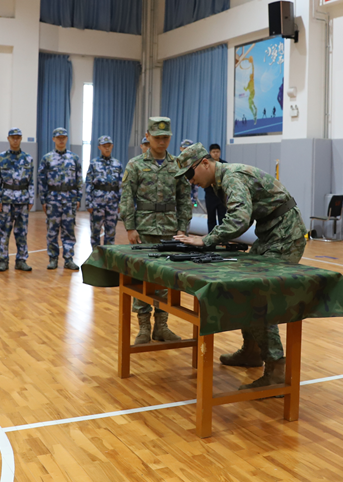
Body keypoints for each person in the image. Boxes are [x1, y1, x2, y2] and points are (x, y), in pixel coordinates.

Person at [174, 142, 307, 390]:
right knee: (246, 289)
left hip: (285, 237)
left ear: (204, 163)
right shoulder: (223, 179)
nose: (190, 181)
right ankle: (253, 352)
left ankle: (277, 370)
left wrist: (206, 239)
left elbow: (239, 218)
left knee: (257, 295)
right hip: (271, 234)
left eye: (190, 174)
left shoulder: (232, 177)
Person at [119, 117, 190, 344]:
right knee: (142, 277)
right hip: (144, 228)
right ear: (147, 137)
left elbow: (184, 199)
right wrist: (130, 227)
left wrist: (183, 228)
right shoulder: (135, 164)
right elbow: (127, 197)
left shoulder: (177, 165)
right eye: (157, 137)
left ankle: (162, 326)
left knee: (166, 279)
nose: (161, 141)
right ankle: (143, 328)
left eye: (165, 137)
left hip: (170, 230)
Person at [38, 127, 82, 270]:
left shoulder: (74, 158)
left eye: (63, 137)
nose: (61, 139)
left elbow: (79, 180)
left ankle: (68, 259)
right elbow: (41, 180)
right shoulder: (47, 158)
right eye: (58, 137)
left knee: (69, 229)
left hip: (69, 199)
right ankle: (53, 258)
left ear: (67, 139)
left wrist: (78, 197)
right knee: (52, 230)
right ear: (54, 139)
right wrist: (43, 200)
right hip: (53, 199)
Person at [0, 128, 34, 272]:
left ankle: (21, 260)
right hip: (6, 200)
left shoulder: (28, 158)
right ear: (8, 139)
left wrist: (31, 198)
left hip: (23, 199)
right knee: (4, 231)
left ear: (21, 138)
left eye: (18, 137)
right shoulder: (1, 158)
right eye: (13, 137)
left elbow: (31, 181)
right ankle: (3, 260)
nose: (15, 140)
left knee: (22, 232)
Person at [84, 135, 123, 248]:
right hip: (97, 203)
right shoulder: (94, 163)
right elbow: (89, 184)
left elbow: (121, 185)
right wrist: (88, 203)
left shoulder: (117, 164)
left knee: (110, 233)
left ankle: (107, 260)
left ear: (112, 146)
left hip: (112, 203)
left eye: (109, 146)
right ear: (99, 147)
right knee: (95, 233)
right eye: (104, 146)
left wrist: (120, 203)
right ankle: (96, 260)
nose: (107, 148)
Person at [204, 143, 228, 232]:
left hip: (221, 196)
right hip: (210, 195)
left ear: (220, 153)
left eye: (217, 152)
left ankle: (223, 239)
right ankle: (211, 239)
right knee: (211, 218)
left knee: (223, 218)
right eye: (213, 152)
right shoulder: (205, 164)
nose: (215, 154)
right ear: (210, 153)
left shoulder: (224, 164)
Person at [179, 139, 202, 210]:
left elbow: (195, 186)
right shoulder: (174, 163)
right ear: (181, 148)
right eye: (185, 148)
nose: (186, 151)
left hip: (189, 199)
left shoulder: (194, 165)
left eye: (189, 149)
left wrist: (194, 201)